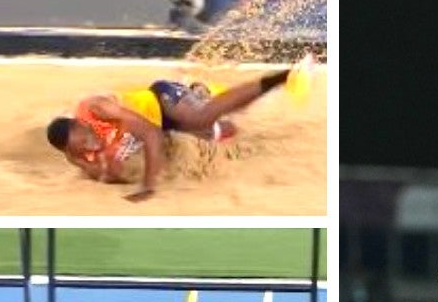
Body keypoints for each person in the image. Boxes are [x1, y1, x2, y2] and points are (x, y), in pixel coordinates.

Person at [45, 55, 313, 201]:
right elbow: (110, 173)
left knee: (202, 118)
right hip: (165, 130)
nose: (91, 143)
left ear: (82, 123)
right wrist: (110, 169)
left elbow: (149, 133)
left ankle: (283, 77)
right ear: (71, 152)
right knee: (227, 132)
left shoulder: (97, 108)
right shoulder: (77, 157)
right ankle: (200, 91)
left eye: (88, 136)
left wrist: (148, 187)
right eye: (83, 147)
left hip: (162, 102)